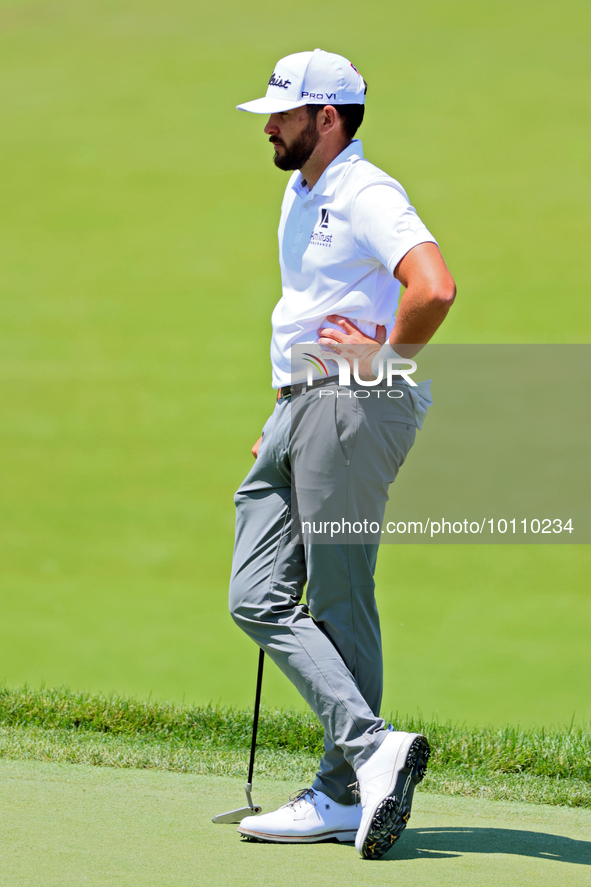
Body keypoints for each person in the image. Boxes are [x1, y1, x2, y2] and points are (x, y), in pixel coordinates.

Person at [228, 49, 456, 859]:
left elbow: (432, 285)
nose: (270, 128)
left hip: (356, 401)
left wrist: (384, 361)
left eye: (283, 115)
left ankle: (341, 784)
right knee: (255, 594)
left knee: (338, 596)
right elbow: (315, 310)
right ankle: (369, 750)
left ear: (328, 118)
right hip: (304, 399)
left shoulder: (365, 190)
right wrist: (283, 409)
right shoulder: (303, 189)